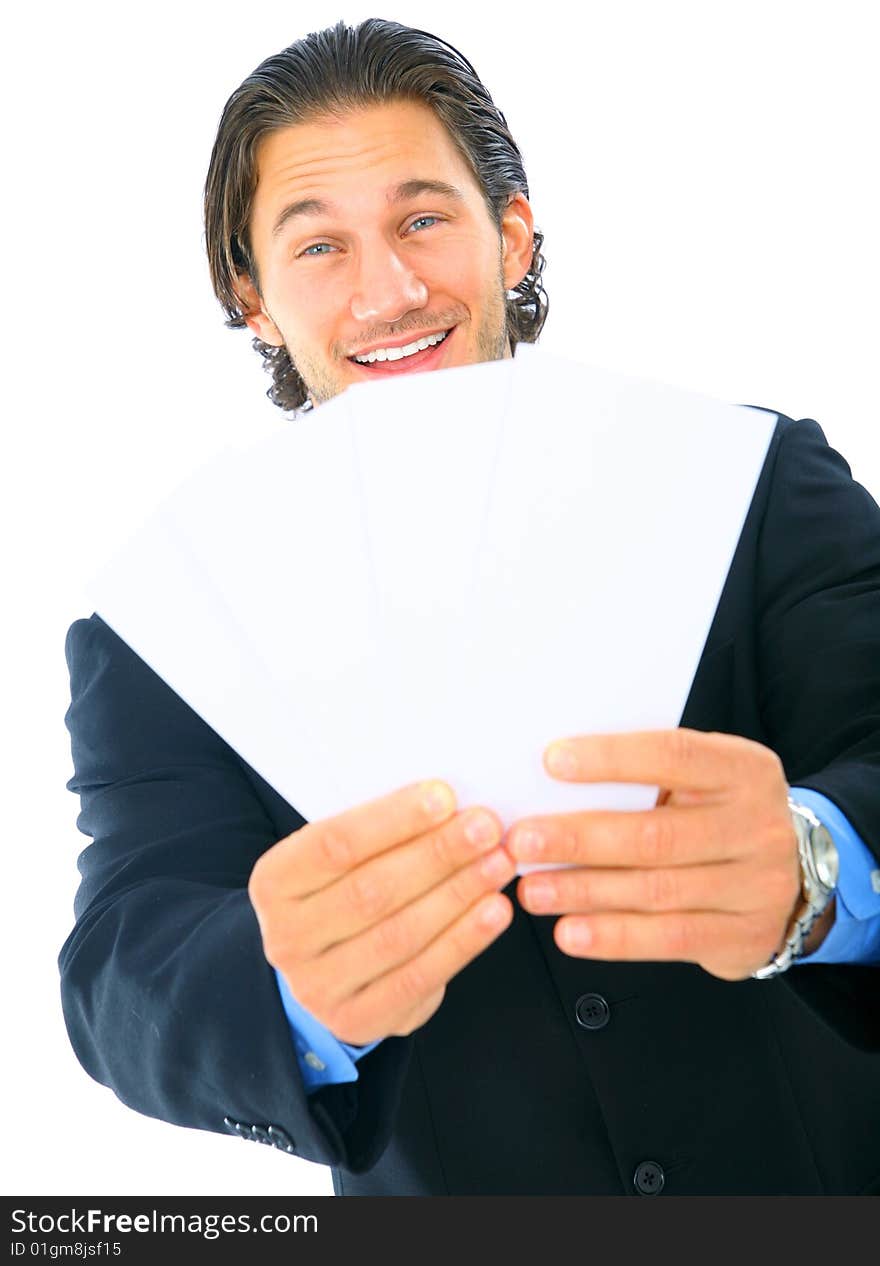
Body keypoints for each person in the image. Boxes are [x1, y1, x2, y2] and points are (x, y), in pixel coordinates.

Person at [60, 18, 880, 1196]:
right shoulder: (164, 635)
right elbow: (120, 975)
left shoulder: (752, 484)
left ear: (512, 233)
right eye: (318, 248)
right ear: (252, 298)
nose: (388, 290)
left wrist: (822, 872)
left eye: (422, 220)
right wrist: (286, 986)